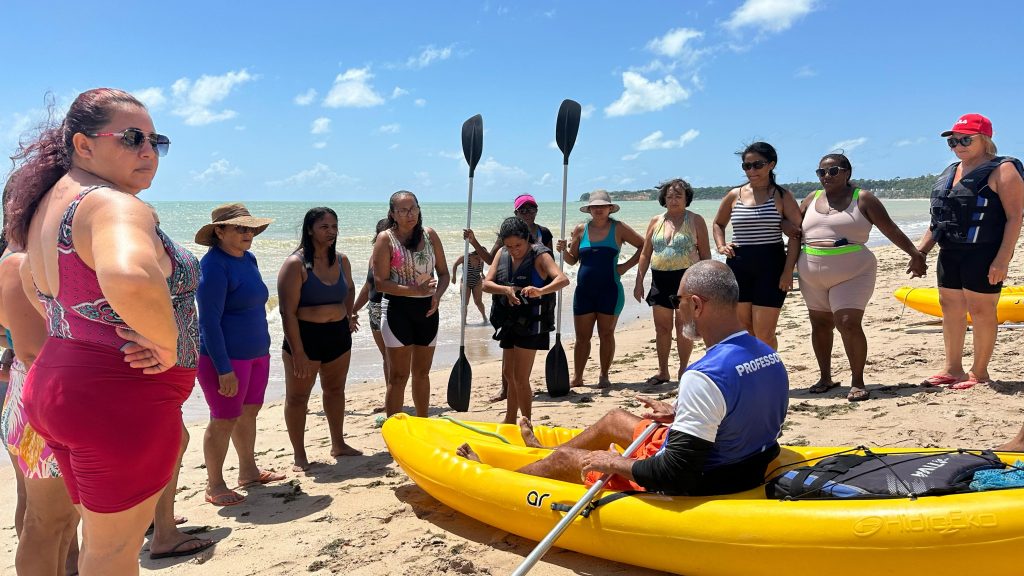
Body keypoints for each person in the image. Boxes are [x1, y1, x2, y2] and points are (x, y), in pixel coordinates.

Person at [6, 88, 212, 574]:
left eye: (155, 140)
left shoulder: (49, 205)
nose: (147, 151)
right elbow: (130, 275)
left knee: (99, 546)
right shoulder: (112, 204)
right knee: (113, 555)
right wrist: (165, 342)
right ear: (84, 144)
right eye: (132, 137)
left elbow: (35, 286)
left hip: (59, 388)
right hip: (117, 400)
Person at [458, 260, 788, 495]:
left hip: (708, 478)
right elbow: (743, 406)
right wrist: (680, 411)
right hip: (742, 460)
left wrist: (616, 463)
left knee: (567, 460)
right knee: (615, 419)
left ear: (698, 305)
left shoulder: (704, 376)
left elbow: (675, 474)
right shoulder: (768, 355)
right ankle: (540, 454)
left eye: (679, 301)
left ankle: (495, 479)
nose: (678, 308)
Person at [797, 154, 928, 401]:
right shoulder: (810, 199)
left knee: (847, 322)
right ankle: (825, 377)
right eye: (821, 172)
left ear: (847, 172)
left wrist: (915, 254)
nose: (826, 176)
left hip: (854, 271)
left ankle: (857, 380)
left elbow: (890, 228)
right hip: (811, 270)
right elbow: (793, 230)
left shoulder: (863, 199)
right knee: (820, 324)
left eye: (833, 171)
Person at [0, 194, 80, 574]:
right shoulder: (18, 263)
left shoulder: (30, 258)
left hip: (37, 397)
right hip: (41, 404)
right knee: (45, 523)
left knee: (59, 521)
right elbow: (33, 352)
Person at [917, 113, 1024, 389]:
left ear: (985, 139)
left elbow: (1015, 217)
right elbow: (938, 220)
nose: (958, 145)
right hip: (950, 251)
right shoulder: (951, 171)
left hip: (984, 251)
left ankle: (980, 373)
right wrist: (920, 251)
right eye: (953, 141)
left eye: (966, 139)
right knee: (950, 307)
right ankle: (953, 368)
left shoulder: (1003, 170)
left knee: (981, 310)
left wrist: (1002, 259)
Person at [194, 203, 284, 506]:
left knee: (249, 411)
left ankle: (248, 471)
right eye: (240, 228)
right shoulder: (213, 266)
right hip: (224, 359)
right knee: (223, 418)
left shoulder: (249, 259)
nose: (248, 233)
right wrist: (223, 368)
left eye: (250, 228)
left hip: (257, 353)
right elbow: (208, 321)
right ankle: (214, 484)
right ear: (219, 231)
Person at [278, 207, 361, 472]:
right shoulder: (296, 264)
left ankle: (338, 443)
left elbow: (349, 288)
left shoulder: (341, 260)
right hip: (305, 337)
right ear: (311, 229)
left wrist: (349, 315)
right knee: (298, 398)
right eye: (325, 227)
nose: (332, 232)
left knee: (335, 391)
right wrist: (297, 351)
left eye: (334, 226)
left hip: (338, 335)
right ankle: (300, 455)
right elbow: (286, 312)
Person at [463, 193, 553, 403]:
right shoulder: (505, 240)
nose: (528, 213)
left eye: (531, 209)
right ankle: (506, 390)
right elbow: (491, 261)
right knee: (509, 353)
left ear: (536, 210)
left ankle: (519, 392)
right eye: (523, 210)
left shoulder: (544, 234)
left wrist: (541, 291)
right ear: (516, 212)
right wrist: (474, 241)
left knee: (521, 364)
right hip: (508, 303)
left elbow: (550, 268)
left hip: (533, 302)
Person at [712, 142, 802, 350]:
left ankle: (771, 373)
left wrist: (789, 270)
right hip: (739, 265)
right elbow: (718, 223)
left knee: (765, 332)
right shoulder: (735, 195)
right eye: (746, 166)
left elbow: (797, 235)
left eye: (757, 165)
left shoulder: (781, 195)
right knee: (744, 327)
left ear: (771, 165)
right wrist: (720, 245)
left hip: (771, 265)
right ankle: (755, 373)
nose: (751, 170)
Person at [483, 217, 568, 423]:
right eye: (509, 246)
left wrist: (541, 290)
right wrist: (506, 289)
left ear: (527, 239)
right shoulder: (502, 253)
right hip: (509, 322)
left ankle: (526, 422)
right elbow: (486, 284)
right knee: (508, 374)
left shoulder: (540, 255)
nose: (514, 250)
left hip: (532, 323)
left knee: (520, 377)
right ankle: (510, 418)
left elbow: (562, 279)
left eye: (518, 245)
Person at [373, 191, 450, 416]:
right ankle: (394, 430)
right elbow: (380, 283)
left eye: (414, 208)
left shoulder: (430, 235)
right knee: (398, 377)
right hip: (397, 310)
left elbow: (444, 274)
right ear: (393, 214)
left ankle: (422, 423)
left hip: (427, 309)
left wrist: (437, 296)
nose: (410, 214)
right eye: (403, 210)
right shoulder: (386, 239)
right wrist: (415, 290)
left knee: (422, 373)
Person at [557, 190, 644, 388]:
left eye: (602, 206)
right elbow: (572, 261)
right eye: (595, 206)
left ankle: (604, 375)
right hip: (584, 293)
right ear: (589, 209)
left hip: (610, 291)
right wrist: (562, 251)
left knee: (606, 335)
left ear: (609, 208)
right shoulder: (581, 229)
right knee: (582, 338)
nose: (598, 209)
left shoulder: (619, 228)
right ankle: (577, 377)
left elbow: (643, 245)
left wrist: (625, 266)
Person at [633, 178, 711, 385]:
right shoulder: (655, 221)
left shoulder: (695, 220)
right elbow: (645, 254)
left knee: (683, 326)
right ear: (663, 199)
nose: (674, 200)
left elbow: (705, 255)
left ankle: (683, 369)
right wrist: (639, 281)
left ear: (687, 198)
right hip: (660, 278)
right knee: (662, 328)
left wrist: (706, 284)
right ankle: (663, 371)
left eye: (678, 196)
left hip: (687, 278)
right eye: (669, 196)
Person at [352, 218, 392, 397]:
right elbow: (369, 286)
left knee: (396, 355)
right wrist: (353, 309)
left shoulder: (400, 256)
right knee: (387, 355)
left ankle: (394, 393)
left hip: (394, 307)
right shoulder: (373, 256)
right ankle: (391, 395)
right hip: (375, 308)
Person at [452, 251, 487, 324]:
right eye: (482, 256)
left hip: (477, 281)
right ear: (478, 254)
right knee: (464, 303)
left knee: (478, 302)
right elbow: (455, 264)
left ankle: (484, 317)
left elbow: (482, 264)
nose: (483, 259)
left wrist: (482, 273)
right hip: (465, 282)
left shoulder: (481, 260)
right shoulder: (465, 257)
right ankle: (464, 322)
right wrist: (454, 277)